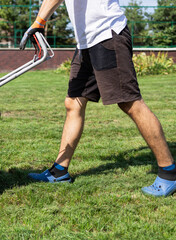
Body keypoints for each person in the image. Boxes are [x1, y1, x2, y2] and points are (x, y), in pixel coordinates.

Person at [19, 0, 176, 197]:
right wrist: (39, 22)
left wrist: (40, 21)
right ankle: (59, 171)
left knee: (129, 102)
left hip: (107, 34)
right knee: (73, 102)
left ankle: (169, 172)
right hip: (85, 43)